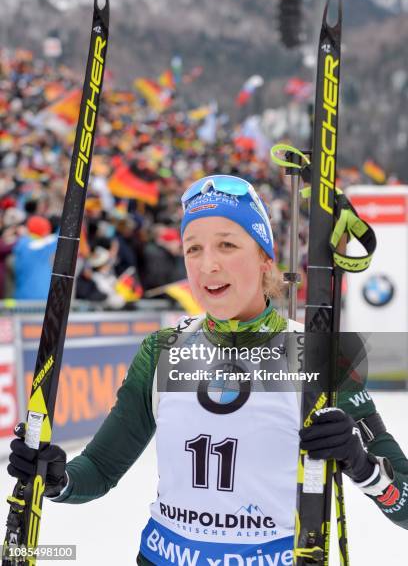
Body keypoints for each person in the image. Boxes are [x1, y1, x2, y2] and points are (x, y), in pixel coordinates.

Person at [8, 175, 408, 565]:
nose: (207, 265)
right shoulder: (163, 349)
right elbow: (99, 468)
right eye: (193, 248)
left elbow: (403, 502)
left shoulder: (317, 354)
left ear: (265, 258)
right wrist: (57, 479)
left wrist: (364, 466)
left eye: (227, 245)